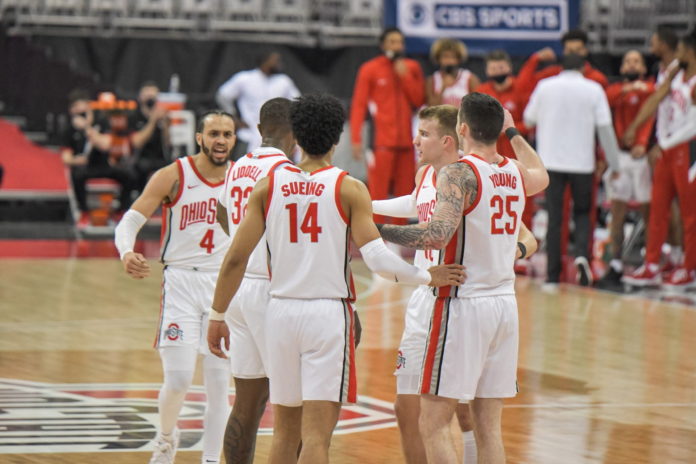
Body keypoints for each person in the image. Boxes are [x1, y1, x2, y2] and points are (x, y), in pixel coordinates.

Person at [206, 94, 464, 464]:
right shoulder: (348, 187)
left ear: (298, 137)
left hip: (278, 312)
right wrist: (427, 276)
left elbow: (234, 256)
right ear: (337, 140)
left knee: (283, 433)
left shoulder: (269, 185)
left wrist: (217, 315)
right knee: (315, 439)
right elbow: (377, 260)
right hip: (326, 316)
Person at [377, 93, 549, 464]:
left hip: (462, 303)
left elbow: (436, 233)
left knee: (435, 423)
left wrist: (373, 230)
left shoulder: (458, 173)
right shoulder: (514, 172)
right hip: (504, 306)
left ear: (462, 129)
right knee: (489, 429)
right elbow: (542, 176)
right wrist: (514, 132)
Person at [114, 111, 236, 464]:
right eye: (214, 133)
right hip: (181, 282)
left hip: (223, 286)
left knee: (219, 387)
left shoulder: (242, 178)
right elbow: (130, 220)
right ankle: (166, 439)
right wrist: (126, 251)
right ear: (199, 137)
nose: (221, 141)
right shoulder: (174, 175)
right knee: (180, 379)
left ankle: (211, 459)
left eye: (227, 134)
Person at [214, 98, 295, 464]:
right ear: (295, 132)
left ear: (259, 130)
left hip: (240, 291)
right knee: (296, 409)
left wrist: (242, 242)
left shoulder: (237, 168)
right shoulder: (288, 174)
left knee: (247, 405)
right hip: (273, 292)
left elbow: (221, 215)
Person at [524, 53, 621, 287]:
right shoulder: (594, 88)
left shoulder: (545, 86)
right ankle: (580, 256)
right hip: (582, 163)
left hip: (551, 163)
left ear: (560, 68)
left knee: (555, 217)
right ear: (583, 68)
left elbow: (528, 120)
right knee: (582, 213)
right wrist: (615, 164)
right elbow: (605, 129)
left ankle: (552, 275)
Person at [622, 30, 696, 290]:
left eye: (682, 51)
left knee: (690, 214)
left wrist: (664, 143)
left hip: (688, 150)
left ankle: (689, 268)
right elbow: (656, 99)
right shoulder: (675, 72)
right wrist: (638, 128)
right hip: (666, 147)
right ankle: (652, 265)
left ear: (689, 51)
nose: (678, 55)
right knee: (658, 208)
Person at [350, 27, 425, 223]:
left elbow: (418, 100)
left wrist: (405, 76)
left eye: (399, 42)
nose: (396, 46)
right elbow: (358, 105)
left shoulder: (411, 67)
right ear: (383, 45)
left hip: (406, 143)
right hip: (380, 143)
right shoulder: (370, 69)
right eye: (392, 42)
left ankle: (398, 244)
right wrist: (356, 139)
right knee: (378, 195)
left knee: (405, 195)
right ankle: (376, 241)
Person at [596, 50, 655, 288]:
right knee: (617, 215)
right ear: (621, 69)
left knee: (649, 213)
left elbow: (654, 101)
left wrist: (643, 143)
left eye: (636, 60)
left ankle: (652, 262)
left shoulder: (652, 89)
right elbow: (606, 98)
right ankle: (615, 264)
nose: (631, 64)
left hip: (641, 158)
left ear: (643, 67)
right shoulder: (616, 91)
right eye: (627, 61)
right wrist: (628, 89)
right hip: (619, 157)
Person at [60, 90, 137, 227]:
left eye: (83, 108)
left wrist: (87, 128)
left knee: (129, 175)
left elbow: (106, 145)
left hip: (104, 164)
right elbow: (66, 157)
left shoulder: (102, 123)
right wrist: (76, 160)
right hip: (86, 166)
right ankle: (83, 212)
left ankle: (120, 211)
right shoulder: (69, 130)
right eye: (76, 108)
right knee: (76, 175)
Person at [216, 51, 300, 160]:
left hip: (277, 136)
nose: (280, 64)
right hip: (249, 134)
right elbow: (223, 95)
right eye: (276, 60)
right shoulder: (245, 78)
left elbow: (297, 102)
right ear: (265, 61)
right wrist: (233, 117)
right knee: (243, 168)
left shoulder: (284, 81)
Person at [527, 29, 608, 89]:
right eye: (569, 50)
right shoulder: (552, 74)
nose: (573, 54)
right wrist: (535, 59)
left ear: (585, 51)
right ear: (564, 51)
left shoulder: (597, 79)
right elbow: (524, 88)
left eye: (578, 50)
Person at [129, 81, 172, 192]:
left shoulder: (162, 116)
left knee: (175, 167)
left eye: (152, 96)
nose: (150, 99)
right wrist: (152, 121)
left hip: (159, 158)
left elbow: (168, 144)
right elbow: (137, 142)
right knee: (140, 169)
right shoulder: (134, 117)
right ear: (140, 98)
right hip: (140, 159)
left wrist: (166, 126)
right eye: (147, 96)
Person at [425, 38, 479, 107]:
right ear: (438, 58)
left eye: (453, 57)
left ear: (459, 59)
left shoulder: (469, 78)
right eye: (445, 56)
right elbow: (431, 108)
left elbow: (477, 107)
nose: (449, 61)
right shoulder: (432, 80)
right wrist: (443, 88)